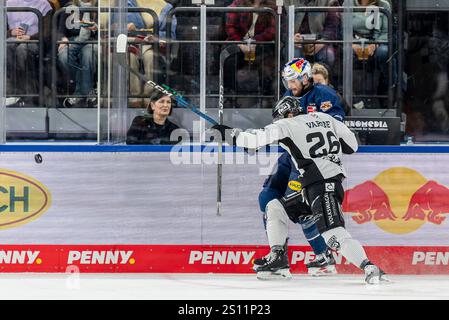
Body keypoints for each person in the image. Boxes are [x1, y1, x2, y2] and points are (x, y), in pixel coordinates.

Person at [213, 98, 388, 285]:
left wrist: (227, 132)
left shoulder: (286, 124)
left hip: (323, 186)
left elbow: (252, 140)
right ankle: (278, 259)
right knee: (275, 207)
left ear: (287, 114)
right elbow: (352, 146)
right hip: (315, 187)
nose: (277, 122)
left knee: (333, 234)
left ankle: (369, 267)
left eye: (278, 118)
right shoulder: (324, 117)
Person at [256, 58, 346, 275]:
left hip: (311, 161)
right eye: (287, 81)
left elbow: (335, 127)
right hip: (290, 155)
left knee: (299, 207)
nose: (290, 85)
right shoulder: (288, 96)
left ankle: (324, 256)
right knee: (267, 197)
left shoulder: (325, 95)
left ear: (306, 78)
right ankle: (278, 254)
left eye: (294, 80)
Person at [6, 0, 53, 107]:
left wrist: (30, 37)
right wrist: (11, 32)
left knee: (22, 50)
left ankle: (29, 96)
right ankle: (13, 93)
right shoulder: (8, 3)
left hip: (34, 41)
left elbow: (47, 32)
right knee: (6, 48)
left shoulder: (44, 5)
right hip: (12, 39)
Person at [57, 0, 98, 107]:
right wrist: (63, 38)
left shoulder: (100, 6)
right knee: (63, 55)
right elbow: (60, 30)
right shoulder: (69, 6)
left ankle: (79, 93)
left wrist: (96, 29)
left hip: (92, 41)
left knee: (88, 54)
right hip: (72, 40)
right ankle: (88, 91)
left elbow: (105, 29)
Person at [284, 0, 340, 70]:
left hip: (320, 41)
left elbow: (332, 25)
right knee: (295, 54)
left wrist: (322, 41)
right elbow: (281, 25)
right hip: (294, 42)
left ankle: (320, 80)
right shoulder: (286, 2)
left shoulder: (330, 2)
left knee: (328, 56)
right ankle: (299, 80)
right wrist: (290, 37)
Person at [352, 0, 392, 94]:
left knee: (384, 52)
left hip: (377, 41)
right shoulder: (349, 3)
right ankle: (349, 94)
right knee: (346, 51)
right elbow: (343, 29)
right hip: (353, 41)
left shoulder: (384, 5)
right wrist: (352, 44)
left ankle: (387, 88)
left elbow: (386, 32)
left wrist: (375, 44)